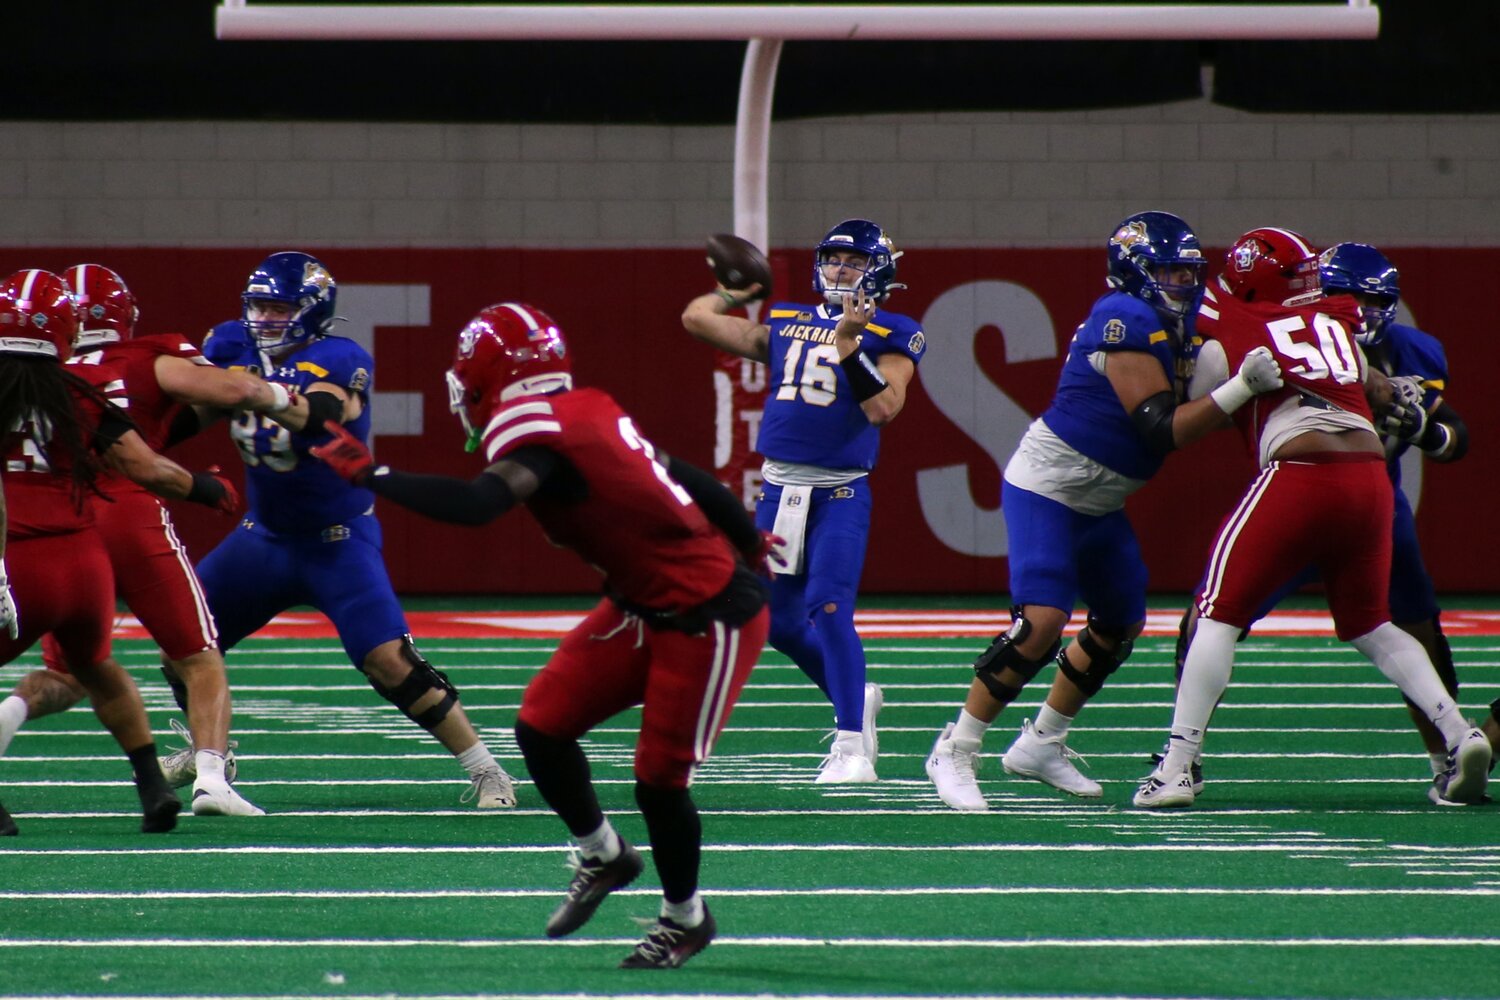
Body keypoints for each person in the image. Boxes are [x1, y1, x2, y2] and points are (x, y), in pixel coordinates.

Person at [311, 301, 770, 969]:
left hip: (708, 613)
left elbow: (479, 504)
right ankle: (605, 853)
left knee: (659, 782)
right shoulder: (586, 408)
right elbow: (687, 474)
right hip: (642, 602)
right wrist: (750, 536)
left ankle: (685, 918)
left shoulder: (543, 436)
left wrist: (370, 473)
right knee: (542, 726)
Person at [923, 211, 1286, 812]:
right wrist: (1237, 389)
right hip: (1048, 485)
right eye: (1167, 270)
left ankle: (1042, 742)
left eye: (1187, 271)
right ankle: (956, 748)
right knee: (1040, 624)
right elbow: (1159, 430)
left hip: (1101, 497)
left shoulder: (1185, 320)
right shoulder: (1124, 316)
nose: (1181, 282)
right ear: (1134, 271)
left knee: (1119, 623)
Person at [1135, 228, 1490, 809]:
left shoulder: (1235, 321)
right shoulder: (1339, 325)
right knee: (1372, 625)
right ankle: (1459, 733)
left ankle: (1176, 767)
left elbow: (1191, 400)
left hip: (1302, 471)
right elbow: (1375, 387)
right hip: (1370, 479)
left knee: (1214, 616)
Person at [185, 251, 516, 809]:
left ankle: (487, 770)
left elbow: (319, 413)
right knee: (183, 640)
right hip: (260, 536)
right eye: (259, 305)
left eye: (278, 307)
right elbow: (186, 415)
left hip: (335, 540)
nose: (264, 318)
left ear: (311, 312)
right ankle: (211, 752)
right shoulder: (228, 346)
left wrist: (258, 393)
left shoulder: (338, 357)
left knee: (388, 661)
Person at [0, 263, 296, 818]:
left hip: (26, 539)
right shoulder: (120, 367)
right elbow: (153, 449)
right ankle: (200, 777)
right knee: (191, 656)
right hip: (92, 536)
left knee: (72, 671)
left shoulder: (53, 374)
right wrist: (278, 400)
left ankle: (10, 716)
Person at [681, 219, 924, 783]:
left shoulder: (896, 330)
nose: (841, 270)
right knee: (778, 622)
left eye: (855, 262)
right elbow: (697, 319)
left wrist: (847, 345)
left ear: (880, 272)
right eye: (835, 259)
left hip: (839, 491)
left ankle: (851, 749)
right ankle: (855, 696)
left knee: (830, 606)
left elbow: (883, 408)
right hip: (780, 491)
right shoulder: (787, 320)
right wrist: (733, 293)